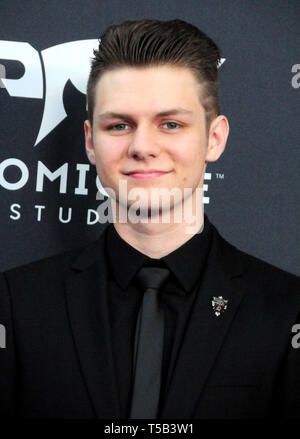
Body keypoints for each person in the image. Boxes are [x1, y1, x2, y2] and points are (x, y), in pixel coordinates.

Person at [1, 18, 300, 419]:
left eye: (171, 124)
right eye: (120, 125)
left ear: (215, 138)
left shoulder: (287, 309)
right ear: (91, 141)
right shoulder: (15, 305)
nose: (142, 146)